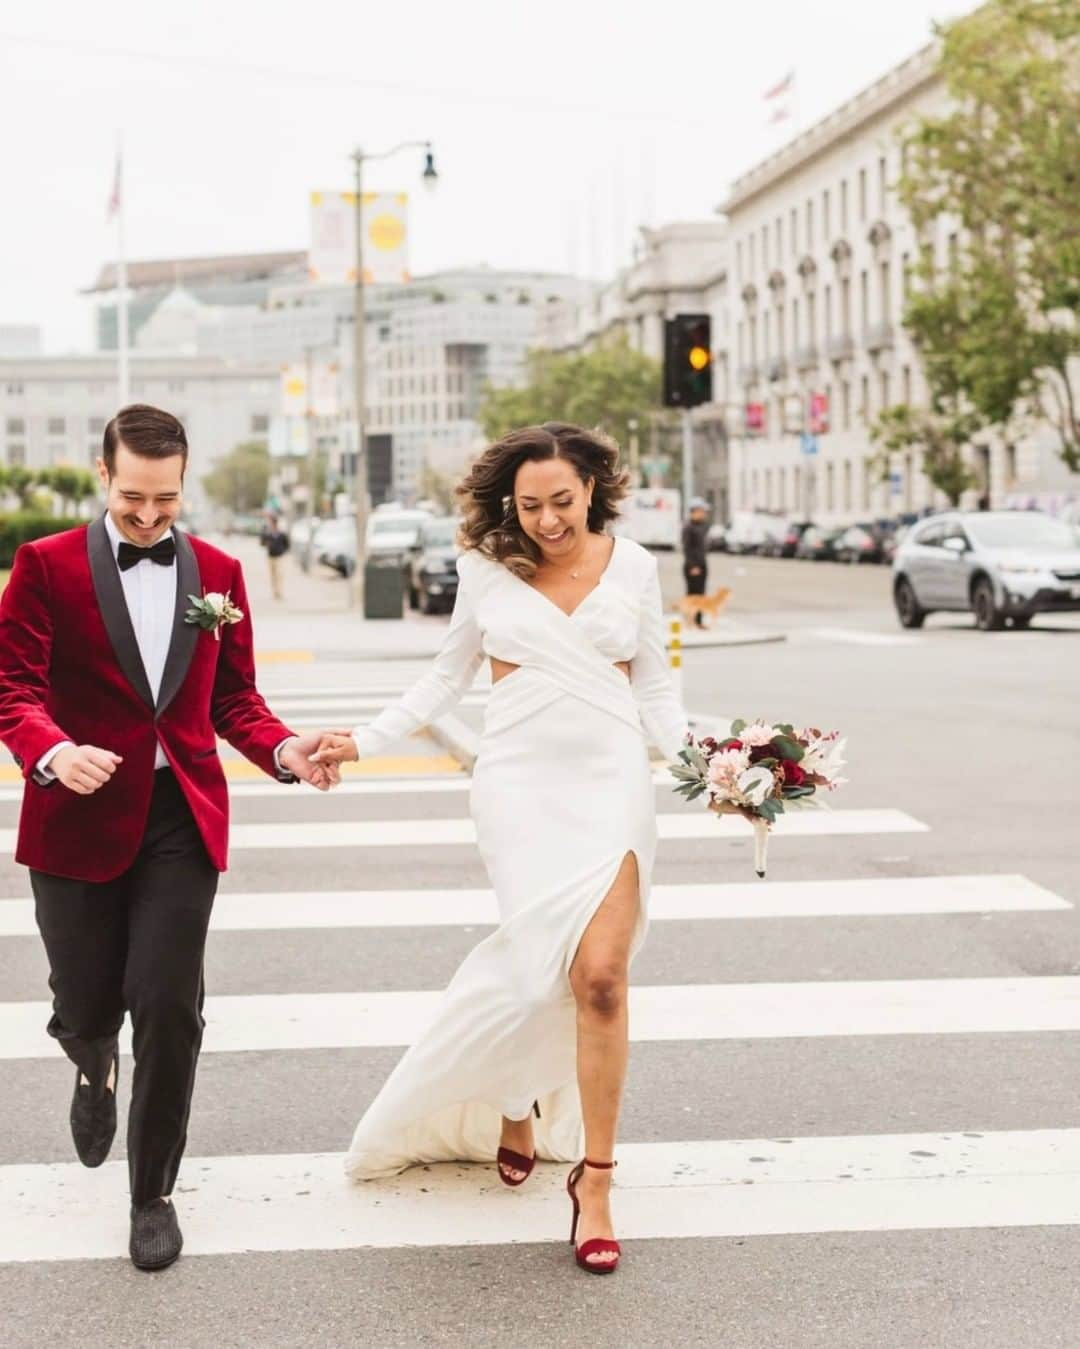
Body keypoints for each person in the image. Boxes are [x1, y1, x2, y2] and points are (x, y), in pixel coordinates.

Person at [312, 422, 688, 1275]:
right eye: (529, 506)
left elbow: (657, 684)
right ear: (507, 504)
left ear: (591, 487)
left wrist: (717, 769)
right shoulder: (485, 568)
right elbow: (446, 675)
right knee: (530, 976)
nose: (548, 521)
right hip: (519, 785)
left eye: (562, 501)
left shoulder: (634, 566)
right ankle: (516, 1096)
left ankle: (596, 1179)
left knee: (599, 977)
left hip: (612, 778)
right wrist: (365, 739)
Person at [0, 404, 340, 1272]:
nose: (150, 517)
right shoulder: (43, 566)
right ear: (104, 473)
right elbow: (13, 688)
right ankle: (89, 1059)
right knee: (87, 1000)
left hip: (179, 820)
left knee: (169, 1003)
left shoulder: (219, 571)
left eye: (167, 499)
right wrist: (52, 750)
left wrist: (286, 750)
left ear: (184, 482)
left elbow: (236, 702)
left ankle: (151, 1192)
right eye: (133, 499)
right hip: (76, 810)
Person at [681, 497, 711, 627]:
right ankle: (690, 620)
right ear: (695, 511)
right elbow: (687, 549)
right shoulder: (688, 527)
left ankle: (698, 621)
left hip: (702, 564)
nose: (704, 513)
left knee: (701, 594)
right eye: (702, 511)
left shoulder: (702, 526)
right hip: (692, 566)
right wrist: (693, 565)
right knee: (693, 595)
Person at [260, 513, 290, 600]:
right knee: (272, 575)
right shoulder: (267, 533)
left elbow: (287, 545)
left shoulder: (281, 533)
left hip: (279, 557)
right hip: (270, 557)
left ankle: (279, 591)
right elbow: (262, 543)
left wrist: (282, 551)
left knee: (279, 574)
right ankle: (275, 592)